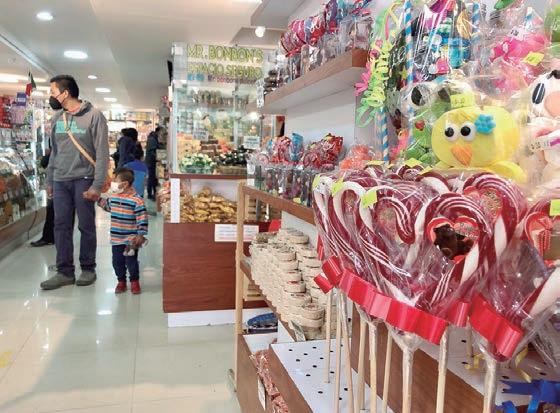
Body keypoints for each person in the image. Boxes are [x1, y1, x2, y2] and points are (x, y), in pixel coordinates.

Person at [40, 74, 109, 291]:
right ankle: (64, 271)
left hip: (84, 179)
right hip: (60, 180)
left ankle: (88, 268)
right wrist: (50, 180)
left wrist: (97, 185)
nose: (51, 96)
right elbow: (54, 153)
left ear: (65, 93)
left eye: (52, 92)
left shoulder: (94, 116)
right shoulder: (57, 119)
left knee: (86, 225)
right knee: (60, 225)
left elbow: (102, 153)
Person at [98, 168, 148, 294]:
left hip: (131, 239)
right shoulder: (114, 198)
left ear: (124, 184)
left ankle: (134, 281)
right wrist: (97, 199)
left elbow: (142, 217)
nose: (113, 183)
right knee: (117, 262)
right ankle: (121, 281)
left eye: (115, 180)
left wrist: (141, 234)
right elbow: (107, 206)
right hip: (116, 239)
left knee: (131, 262)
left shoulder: (136, 200)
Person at [30, 149, 54, 247]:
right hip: (62, 184)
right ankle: (53, 237)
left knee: (51, 213)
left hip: (57, 184)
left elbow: (45, 163)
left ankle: (48, 238)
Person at [145, 126, 162, 200]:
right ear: (158, 131)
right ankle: (150, 194)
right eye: (162, 132)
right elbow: (153, 152)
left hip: (151, 161)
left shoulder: (153, 138)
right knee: (152, 178)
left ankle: (153, 194)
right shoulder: (152, 139)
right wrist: (158, 157)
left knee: (153, 178)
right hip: (151, 162)